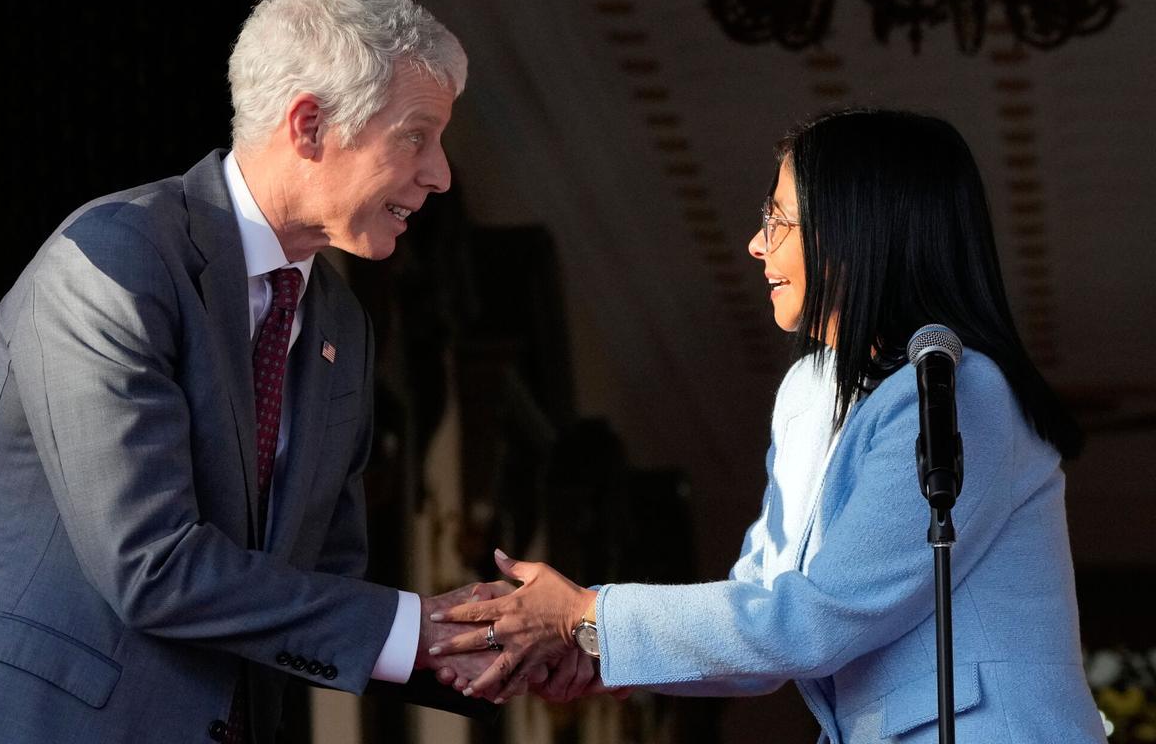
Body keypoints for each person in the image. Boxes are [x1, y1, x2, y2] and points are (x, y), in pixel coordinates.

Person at [431, 110, 1108, 742]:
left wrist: (583, 615)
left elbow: (817, 620)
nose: (756, 245)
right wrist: (593, 645)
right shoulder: (810, 394)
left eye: (778, 219)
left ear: (854, 230)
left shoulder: (961, 391)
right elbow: (767, 618)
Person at [0, 0, 501, 744]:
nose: (440, 173)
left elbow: (317, 595)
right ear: (310, 125)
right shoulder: (113, 261)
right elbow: (152, 567)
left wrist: (496, 650)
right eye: (417, 134)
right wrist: (423, 629)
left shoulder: (339, 320)